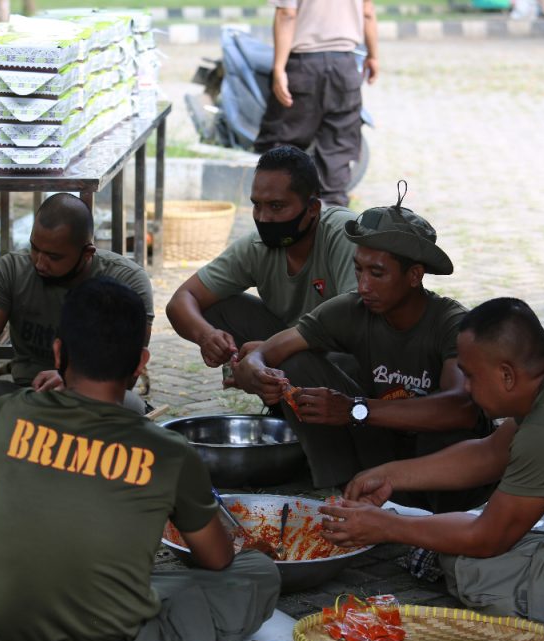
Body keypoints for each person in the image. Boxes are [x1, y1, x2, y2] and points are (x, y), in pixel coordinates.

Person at [0, 277, 280, 641]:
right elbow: (217, 559)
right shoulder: (168, 452)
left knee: (2, 466)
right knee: (258, 573)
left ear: (58, 352)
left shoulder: (11, 410)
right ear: (141, 363)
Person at [323, 298, 544, 639]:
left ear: (507, 375)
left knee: (470, 568)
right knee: (478, 539)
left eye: (471, 376)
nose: (468, 390)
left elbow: (486, 538)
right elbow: (489, 453)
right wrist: (390, 474)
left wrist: (387, 526)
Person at [233, 188, 493, 511]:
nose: (363, 285)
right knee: (297, 362)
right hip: (381, 447)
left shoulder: (451, 322)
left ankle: (431, 518)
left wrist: (356, 409)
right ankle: (348, 489)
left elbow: (460, 408)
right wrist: (259, 374)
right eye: (359, 270)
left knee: (440, 428)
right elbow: (265, 353)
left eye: (377, 273)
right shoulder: (352, 309)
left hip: (448, 469)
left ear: (414, 275)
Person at [0, 192, 154, 413]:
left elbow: (126, 373)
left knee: (131, 408)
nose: (40, 263)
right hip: (24, 394)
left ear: (87, 253)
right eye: (35, 249)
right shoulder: (12, 269)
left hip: (89, 400)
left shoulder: (127, 281)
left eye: (54, 257)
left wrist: (72, 383)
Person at [166, 145, 356, 371]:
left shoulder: (342, 234)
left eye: (277, 206)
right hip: (298, 353)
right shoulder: (256, 247)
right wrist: (206, 336)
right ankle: (281, 398)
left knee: (298, 358)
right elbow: (181, 299)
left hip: (348, 359)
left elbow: (354, 319)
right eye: (257, 205)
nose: (264, 218)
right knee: (218, 308)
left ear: (313, 207)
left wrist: (271, 350)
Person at [254, 0, 378, 207]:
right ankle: (333, 223)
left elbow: (286, 14)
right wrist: (373, 55)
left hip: (303, 66)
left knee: (282, 147)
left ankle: (283, 220)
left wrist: (279, 68)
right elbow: (367, 12)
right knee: (337, 150)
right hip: (344, 66)